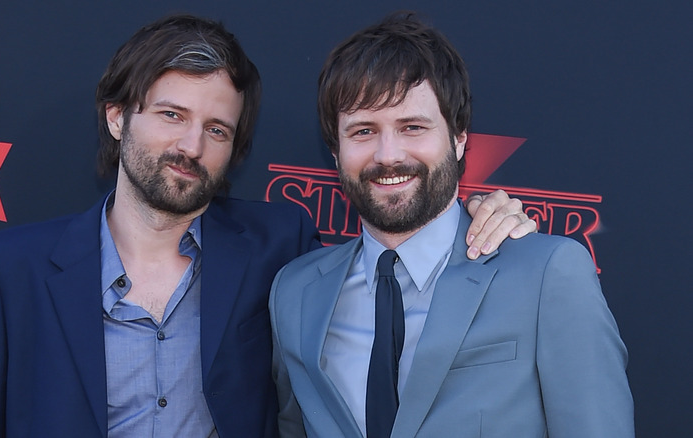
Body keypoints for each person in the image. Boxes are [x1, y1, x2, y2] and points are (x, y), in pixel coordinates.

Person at [0, 14, 534, 438]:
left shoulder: (281, 245)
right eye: (171, 115)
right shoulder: (13, 265)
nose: (190, 145)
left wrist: (479, 215)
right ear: (118, 117)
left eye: (217, 129)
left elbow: (397, 250)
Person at [270, 12, 634, 438]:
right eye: (364, 130)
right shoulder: (293, 293)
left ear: (459, 137)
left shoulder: (546, 274)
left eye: (412, 127)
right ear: (335, 151)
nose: (388, 154)